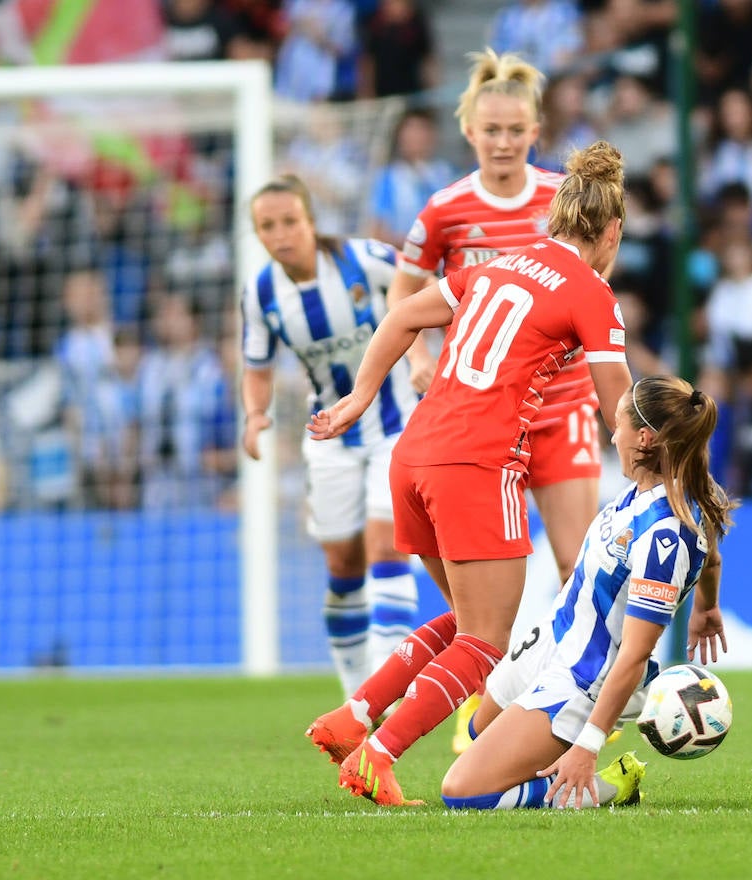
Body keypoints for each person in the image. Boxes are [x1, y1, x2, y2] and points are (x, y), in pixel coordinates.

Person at [305, 141, 634, 806]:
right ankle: (379, 755)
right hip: (476, 465)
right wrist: (661, 480)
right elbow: (622, 408)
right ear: (611, 233)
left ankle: (354, 715)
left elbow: (400, 314)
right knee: (487, 639)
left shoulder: (500, 265)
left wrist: (361, 397)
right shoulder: (591, 292)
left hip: (414, 452)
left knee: (464, 619)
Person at [388, 50, 602, 751]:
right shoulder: (446, 210)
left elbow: (591, 278)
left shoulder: (559, 198)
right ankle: (488, 697)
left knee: (578, 564)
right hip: (479, 418)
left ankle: (555, 706)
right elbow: (406, 289)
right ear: (469, 130)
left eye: (516, 129)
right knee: (475, 604)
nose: (504, 140)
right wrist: (418, 356)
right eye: (492, 129)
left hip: (561, 401)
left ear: (536, 129)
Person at [440, 376, 734, 810]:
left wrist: (588, 746)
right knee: (476, 735)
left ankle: (610, 784)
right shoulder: (646, 491)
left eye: (617, 426)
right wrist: (706, 608)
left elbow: (634, 654)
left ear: (645, 438)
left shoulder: (664, 537)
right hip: (551, 643)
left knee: (466, 794)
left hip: (583, 678)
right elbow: (711, 558)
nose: (611, 436)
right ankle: (550, 751)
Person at [240, 175, 421, 696]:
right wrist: (255, 414)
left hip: (395, 426)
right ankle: (354, 692)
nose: (280, 235)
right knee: (343, 567)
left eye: (290, 221)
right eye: (267, 226)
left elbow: (428, 288)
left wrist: (426, 354)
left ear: (310, 222)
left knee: (388, 547)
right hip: (330, 437)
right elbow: (257, 365)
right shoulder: (259, 294)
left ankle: (384, 689)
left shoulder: (365, 260)